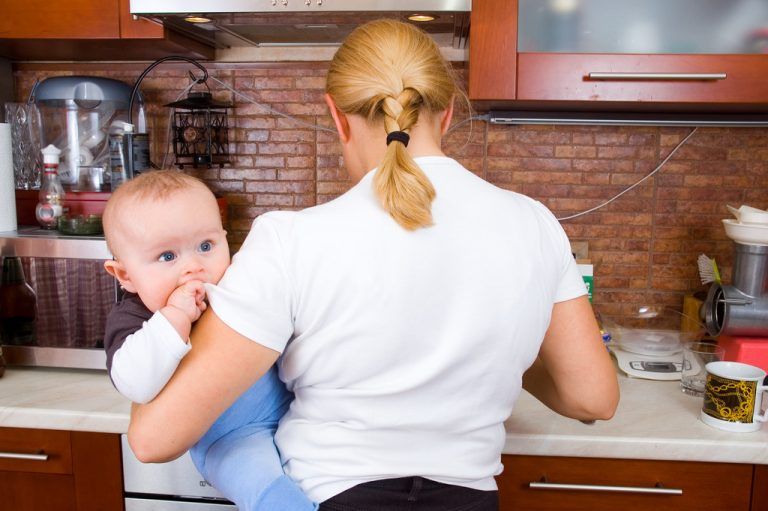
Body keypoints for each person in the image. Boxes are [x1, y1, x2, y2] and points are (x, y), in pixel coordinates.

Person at [127, 19, 620, 510]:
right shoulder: (534, 224)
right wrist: (487, 340)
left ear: (337, 118)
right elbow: (592, 398)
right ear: (447, 113)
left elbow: (154, 439)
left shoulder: (290, 241)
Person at [101, 170, 316, 511]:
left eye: (206, 246)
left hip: (292, 413)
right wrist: (174, 317)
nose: (194, 267)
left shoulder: (237, 284)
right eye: (167, 257)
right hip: (230, 438)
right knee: (269, 493)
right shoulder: (135, 318)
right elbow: (135, 383)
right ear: (125, 275)